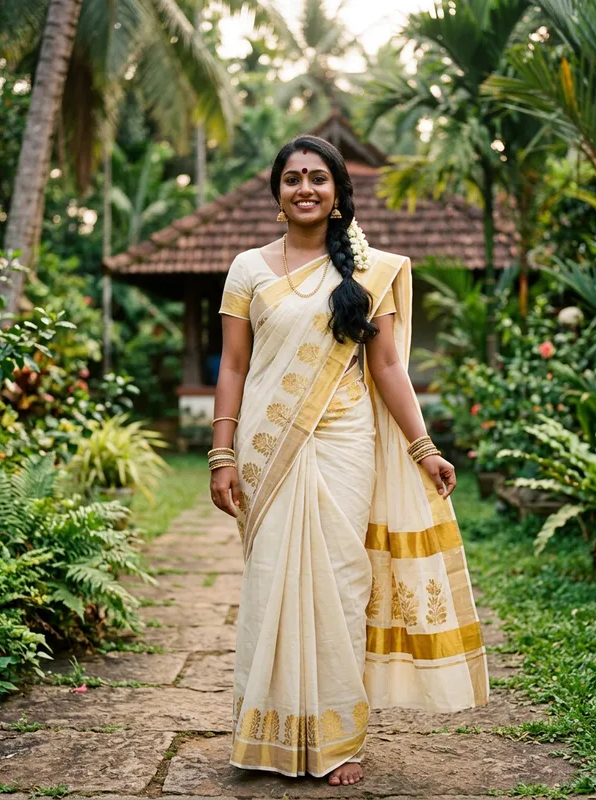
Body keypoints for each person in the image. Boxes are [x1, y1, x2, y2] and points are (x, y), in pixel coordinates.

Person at [209, 135, 489, 787]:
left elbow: (388, 365)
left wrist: (424, 446)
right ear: (277, 193)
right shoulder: (247, 268)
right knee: (271, 580)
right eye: (292, 179)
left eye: (317, 178)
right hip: (267, 446)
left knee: (339, 584)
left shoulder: (369, 269)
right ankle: (267, 736)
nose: (304, 188)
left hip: (344, 444)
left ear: (338, 194)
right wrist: (221, 452)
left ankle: (337, 737)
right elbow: (235, 366)